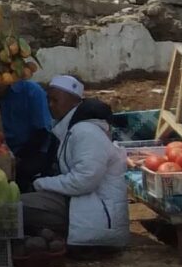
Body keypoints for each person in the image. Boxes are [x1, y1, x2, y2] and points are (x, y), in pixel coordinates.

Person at [21, 74, 130, 252]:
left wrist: (41, 183)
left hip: (96, 218)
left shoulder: (85, 132)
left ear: (74, 102)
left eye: (56, 101)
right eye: (48, 100)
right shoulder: (72, 129)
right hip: (81, 204)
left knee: (17, 208)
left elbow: (84, 180)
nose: (50, 106)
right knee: (21, 205)